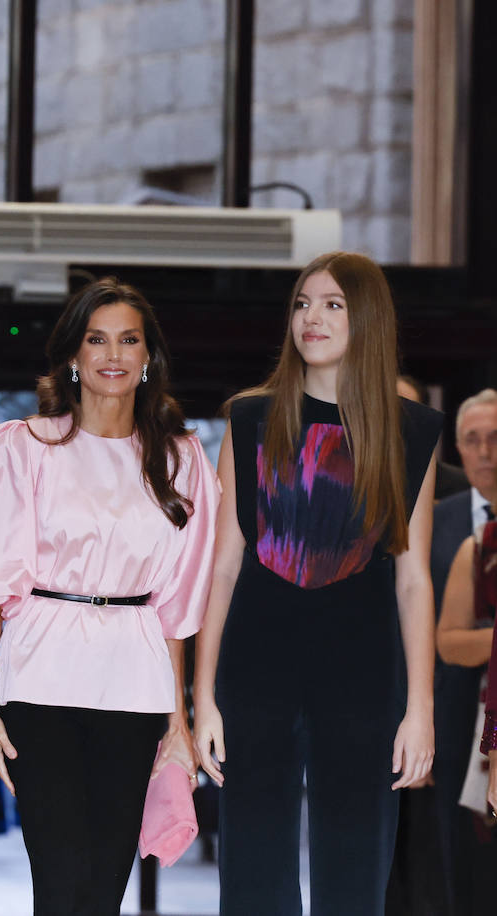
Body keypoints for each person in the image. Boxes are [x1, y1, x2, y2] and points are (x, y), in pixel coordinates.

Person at [0, 277, 218, 914]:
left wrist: (178, 721)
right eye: (97, 339)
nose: (112, 354)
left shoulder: (181, 460)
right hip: (40, 681)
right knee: (61, 879)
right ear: (73, 354)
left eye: (129, 340)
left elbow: (175, 608)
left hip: (135, 685)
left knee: (103, 887)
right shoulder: (23, 448)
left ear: (148, 357)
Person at [193, 251, 442, 915]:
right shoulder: (249, 419)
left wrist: (420, 709)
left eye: (333, 304)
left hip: (364, 672)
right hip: (255, 668)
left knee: (355, 876)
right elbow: (223, 564)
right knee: (253, 877)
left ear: (368, 319)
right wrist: (202, 697)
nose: (313, 317)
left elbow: (413, 578)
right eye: (303, 303)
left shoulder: (412, 430)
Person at [392, 388, 497, 914]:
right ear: (457, 448)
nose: (485, 452)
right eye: (472, 440)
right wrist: (416, 721)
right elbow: (409, 624)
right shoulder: (432, 519)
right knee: (453, 856)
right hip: (451, 716)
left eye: (495, 438)